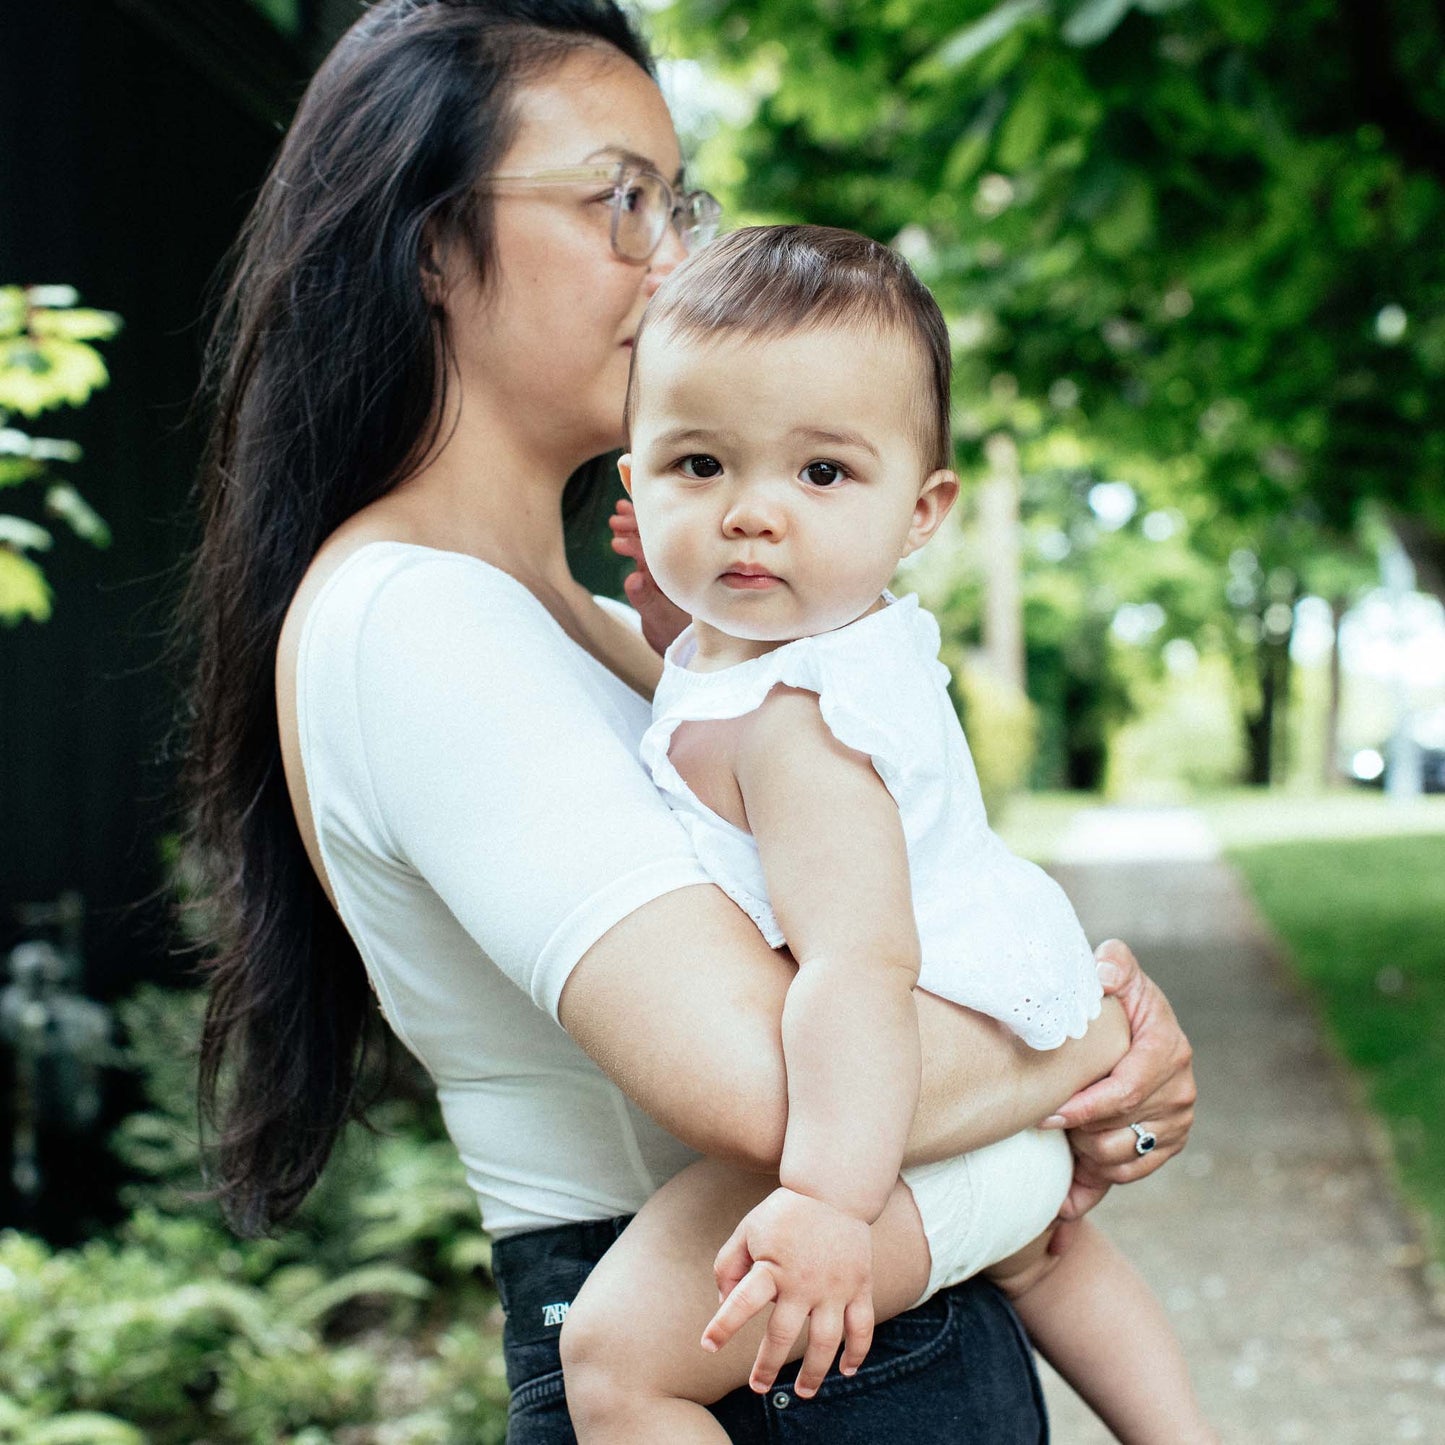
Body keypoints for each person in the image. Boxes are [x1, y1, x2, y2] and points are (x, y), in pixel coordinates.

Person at [180, 3, 1198, 1441]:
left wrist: (1083, 1081)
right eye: (618, 202)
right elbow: (764, 1083)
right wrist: (1085, 1042)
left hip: (830, 1336)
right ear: (427, 244)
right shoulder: (413, 619)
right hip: (734, 1351)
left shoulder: (630, 632)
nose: (671, 265)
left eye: (679, 203)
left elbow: (862, 897)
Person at [556, 225, 1216, 1445]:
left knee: (612, 1365)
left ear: (920, 510)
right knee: (1048, 1261)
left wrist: (819, 1200)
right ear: (632, 487)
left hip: (885, 1127)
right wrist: (672, 622)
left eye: (820, 475)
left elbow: (859, 963)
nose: (752, 515)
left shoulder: (798, 729)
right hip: (1010, 1084)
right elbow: (720, 675)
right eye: (699, 464)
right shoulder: (804, 645)